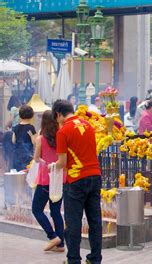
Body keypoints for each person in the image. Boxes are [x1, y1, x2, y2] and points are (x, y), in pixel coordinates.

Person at [52, 100, 102, 264]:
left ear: (58, 114)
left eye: (56, 117)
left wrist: (52, 167)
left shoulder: (63, 131)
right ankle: (95, 258)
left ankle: (73, 259)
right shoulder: (88, 126)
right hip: (95, 176)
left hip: (76, 180)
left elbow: (62, 162)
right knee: (95, 221)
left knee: (73, 222)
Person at [32, 110, 66, 253]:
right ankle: (60, 245)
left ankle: (53, 236)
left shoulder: (40, 139)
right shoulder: (61, 136)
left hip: (46, 179)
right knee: (56, 211)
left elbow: (36, 158)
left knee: (36, 209)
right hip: (60, 179)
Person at [12, 105, 37, 171]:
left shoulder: (16, 127)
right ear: (31, 115)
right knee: (27, 173)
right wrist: (31, 136)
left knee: (18, 174)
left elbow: (13, 141)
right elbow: (34, 143)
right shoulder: (31, 128)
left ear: (20, 115)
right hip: (28, 155)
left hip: (17, 155)